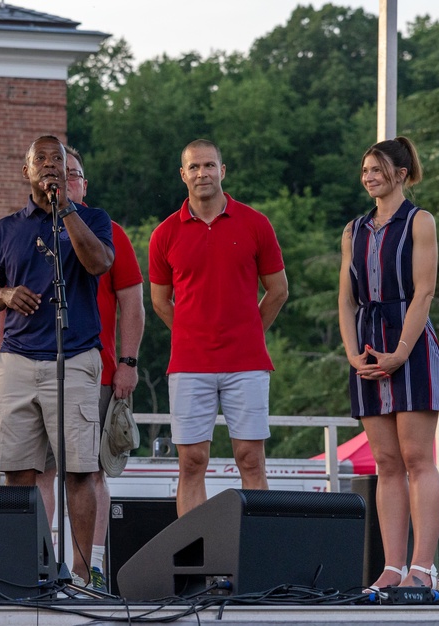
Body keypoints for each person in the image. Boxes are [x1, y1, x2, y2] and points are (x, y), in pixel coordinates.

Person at [0, 146, 143, 592]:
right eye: (53, 170)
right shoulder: (9, 229)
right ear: (30, 174)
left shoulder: (99, 224)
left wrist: (127, 362)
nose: (62, 179)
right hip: (23, 362)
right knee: (31, 471)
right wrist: (3, 358)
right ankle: (35, 567)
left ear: (83, 183)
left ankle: (84, 570)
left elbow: (130, 297)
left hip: (87, 362)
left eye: (71, 173)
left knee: (86, 470)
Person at [149, 139, 288, 517]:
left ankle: (259, 561)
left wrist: (248, 332)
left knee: (251, 459)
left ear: (222, 171)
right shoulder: (164, 234)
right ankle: (197, 561)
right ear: (183, 175)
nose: (202, 173)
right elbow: (160, 301)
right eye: (194, 167)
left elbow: (278, 291)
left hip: (247, 362)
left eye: (209, 165)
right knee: (192, 462)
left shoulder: (256, 223)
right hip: (189, 365)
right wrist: (193, 333)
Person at [338, 136, 439, 591]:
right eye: (365, 170)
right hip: (366, 348)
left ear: (400, 174)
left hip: (411, 345)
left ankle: (424, 566)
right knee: (385, 462)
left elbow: (424, 292)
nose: (369, 177)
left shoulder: (421, 221)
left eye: (377, 170)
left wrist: (401, 351)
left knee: (419, 458)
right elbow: (345, 300)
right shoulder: (353, 230)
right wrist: (351, 353)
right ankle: (392, 567)